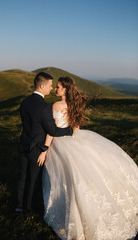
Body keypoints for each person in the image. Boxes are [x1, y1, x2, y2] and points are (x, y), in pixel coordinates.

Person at [38, 76, 138, 240]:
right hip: (77, 138)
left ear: (65, 89)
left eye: (58, 87)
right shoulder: (75, 104)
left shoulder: (56, 105)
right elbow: (75, 127)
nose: (55, 89)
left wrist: (45, 149)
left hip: (61, 143)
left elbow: (51, 130)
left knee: (66, 176)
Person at [15, 72, 73, 213]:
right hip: (37, 147)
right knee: (34, 178)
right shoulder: (45, 107)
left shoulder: (24, 102)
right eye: (49, 85)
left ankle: (18, 205)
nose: (51, 88)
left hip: (23, 143)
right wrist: (68, 131)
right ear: (42, 86)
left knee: (23, 176)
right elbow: (52, 130)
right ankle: (28, 207)